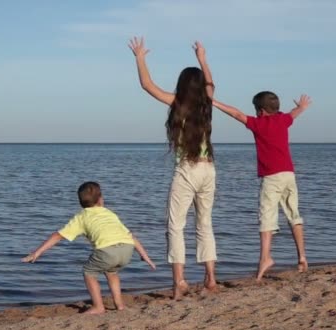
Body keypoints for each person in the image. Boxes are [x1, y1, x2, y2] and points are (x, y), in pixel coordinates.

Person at [128, 37, 217, 299]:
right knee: (205, 224)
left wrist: (140, 57)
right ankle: (211, 278)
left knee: (176, 226)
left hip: (187, 169)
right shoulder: (206, 103)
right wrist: (202, 58)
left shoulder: (178, 103)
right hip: (209, 169)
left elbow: (147, 85)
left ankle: (179, 280)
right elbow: (211, 84)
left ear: (181, 85)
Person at [212, 91, 311, 281]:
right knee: (294, 215)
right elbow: (294, 113)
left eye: (256, 109)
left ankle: (265, 258)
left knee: (266, 219)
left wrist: (215, 102)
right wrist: (302, 107)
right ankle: (302, 257)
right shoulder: (283, 120)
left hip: (271, 177)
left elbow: (236, 114)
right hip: (289, 174)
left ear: (261, 111)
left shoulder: (258, 124)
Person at [22, 181, 156, 314]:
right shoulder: (109, 213)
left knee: (89, 272)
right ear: (100, 200)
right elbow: (130, 236)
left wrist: (37, 253)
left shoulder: (81, 217)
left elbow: (58, 236)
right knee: (112, 272)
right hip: (127, 249)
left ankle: (98, 306)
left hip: (107, 250)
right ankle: (120, 305)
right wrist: (145, 256)